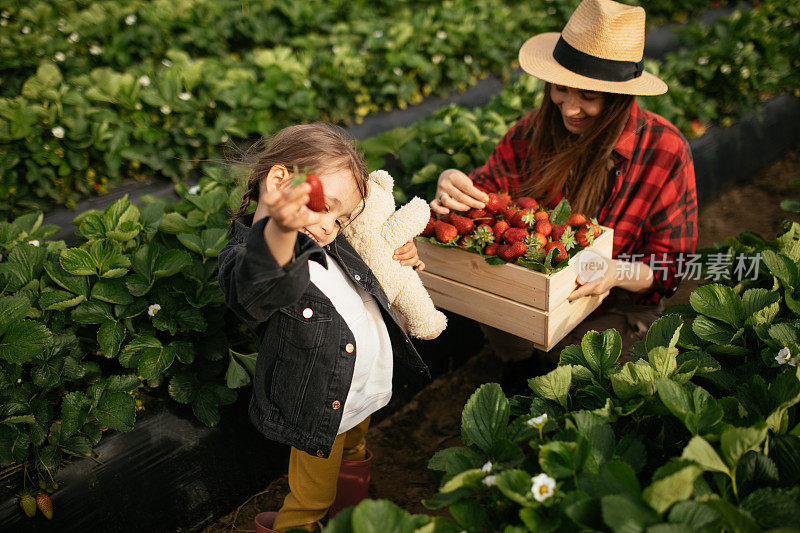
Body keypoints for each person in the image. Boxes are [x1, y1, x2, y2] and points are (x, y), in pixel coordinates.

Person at [430, 0, 698, 389]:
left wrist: (614, 273)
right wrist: (455, 181)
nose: (569, 108)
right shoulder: (533, 132)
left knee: (578, 382)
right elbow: (484, 195)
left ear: (618, 96)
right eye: (560, 89)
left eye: (588, 96)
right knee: (503, 309)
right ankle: (520, 366)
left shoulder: (665, 151)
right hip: (534, 289)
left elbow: (670, 266)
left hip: (613, 303)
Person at [218, 123, 429, 532]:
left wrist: (403, 253)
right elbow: (258, 287)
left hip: (360, 389)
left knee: (355, 449)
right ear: (280, 180)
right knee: (311, 497)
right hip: (321, 404)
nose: (332, 225)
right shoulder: (259, 255)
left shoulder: (330, 236)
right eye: (325, 206)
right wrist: (278, 228)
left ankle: (351, 519)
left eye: (342, 215)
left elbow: (376, 265)